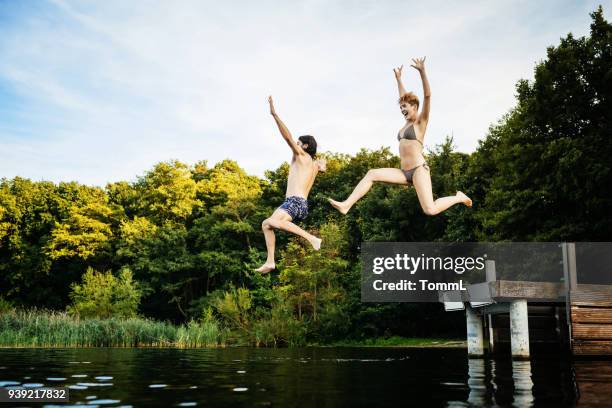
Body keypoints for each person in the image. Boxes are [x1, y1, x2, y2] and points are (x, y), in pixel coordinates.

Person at [328, 57, 472, 215]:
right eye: (401, 107)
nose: (402, 109)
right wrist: (399, 79)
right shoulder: (406, 124)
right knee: (372, 173)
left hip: (418, 170)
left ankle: (458, 197)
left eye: (405, 107)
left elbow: (428, 95)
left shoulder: (420, 122)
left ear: (415, 107)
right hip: (404, 172)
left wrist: (422, 72)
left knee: (430, 210)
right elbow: (404, 97)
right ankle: (346, 204)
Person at [255, 96, 326, 273]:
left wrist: (274, 114)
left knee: (270, 221)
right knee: (267, 224)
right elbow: (320, 169)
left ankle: (312, 238)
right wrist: (321, 166)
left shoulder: (302, 156)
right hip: (297, 203)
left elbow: (287, 137)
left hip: (295, 202)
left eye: (299, 144)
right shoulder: (313, 164)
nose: (296, 146)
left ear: (305, 146)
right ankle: (270, 261)